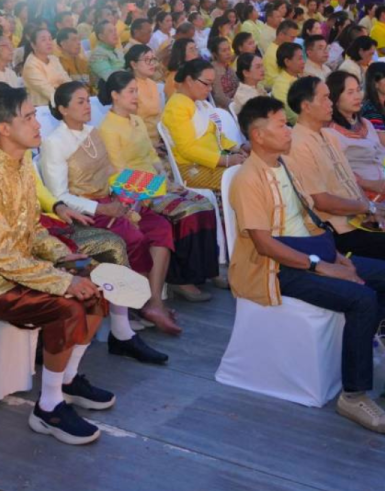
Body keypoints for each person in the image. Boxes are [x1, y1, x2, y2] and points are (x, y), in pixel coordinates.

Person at [228, 96, 385, 433]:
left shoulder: (285, 165)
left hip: (310, 251)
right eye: (281, 125)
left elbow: (310, 220)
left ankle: (374, 356)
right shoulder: (247, 178)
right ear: (258, 135)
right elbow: (264, 244)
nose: (288, 131)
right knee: (362, 297)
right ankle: (353, 395)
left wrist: (335, 256)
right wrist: (321, 266)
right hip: (275, 268)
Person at [0, 86, 115, 444]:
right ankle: (48, 408)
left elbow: (33, 228)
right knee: (67, 307)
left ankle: (68, 380)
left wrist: (62, 257)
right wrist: (60, 282)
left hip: (20, 269)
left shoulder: (22, 163)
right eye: (27, 117)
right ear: (4, 129)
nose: (37, 123)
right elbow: (1, 257)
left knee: (93, 290)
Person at [284, 75, 385, 368]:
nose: (331, 103)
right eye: (325, 98)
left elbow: (348, 182)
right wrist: (364, 208)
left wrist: (373, 211)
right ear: (305, 105)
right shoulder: (299, 143)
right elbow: (321, 201)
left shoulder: (327, 135)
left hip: (357, 217)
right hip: (338, 230)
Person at [40, 81, 182, 334]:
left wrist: (129, 198)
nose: (87, 106)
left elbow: (108, 176)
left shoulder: (92, 132)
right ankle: (136, 303)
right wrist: (101, 209)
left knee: (159, 227)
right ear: (63, 109)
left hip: (111, 200)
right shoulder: (55, 142)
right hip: (84, 211)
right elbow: (59, 195)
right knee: (134, 236)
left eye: (87, 100)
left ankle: (152, 302)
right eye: (80, 102)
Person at [98, 70, 220, 301]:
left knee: (204, 204)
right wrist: (159, 186)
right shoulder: (108, 128)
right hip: (136, 192)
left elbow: (152, 155)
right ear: (115, 95)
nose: (137, 97)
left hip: (157, 182)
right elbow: (118, 176)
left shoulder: (136, 120)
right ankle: (181, 279)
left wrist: (167, 178)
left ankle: (206, 271)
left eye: (137, 91)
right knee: (187, 212)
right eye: (131, 92)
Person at [163, 59, 246, 190]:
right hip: (191, 167)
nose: (210, 89)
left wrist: (239, 147)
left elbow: (216, 135)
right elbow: (187, 149)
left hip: (214, 161)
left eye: (211, 84)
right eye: (206, 84)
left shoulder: (200, 104)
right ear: (190, 81)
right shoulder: (176, 107)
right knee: (245, 179)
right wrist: (227, 161)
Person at [22, 27, 71, 108]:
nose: (49, 42)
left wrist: (72, 94)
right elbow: (48, 91)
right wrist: (69, 99)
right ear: (33, 45)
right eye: (43, 40)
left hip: (62, 103)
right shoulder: (30, 66)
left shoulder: (54, 59)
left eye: (50, 39)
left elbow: (66, 80)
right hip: (42, 108)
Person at [268, 42, 306, 123]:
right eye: (299, 59)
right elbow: (291, 115)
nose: (303, 62)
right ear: (287, 62)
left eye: (303, 58)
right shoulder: (281, 84)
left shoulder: (301, 77)